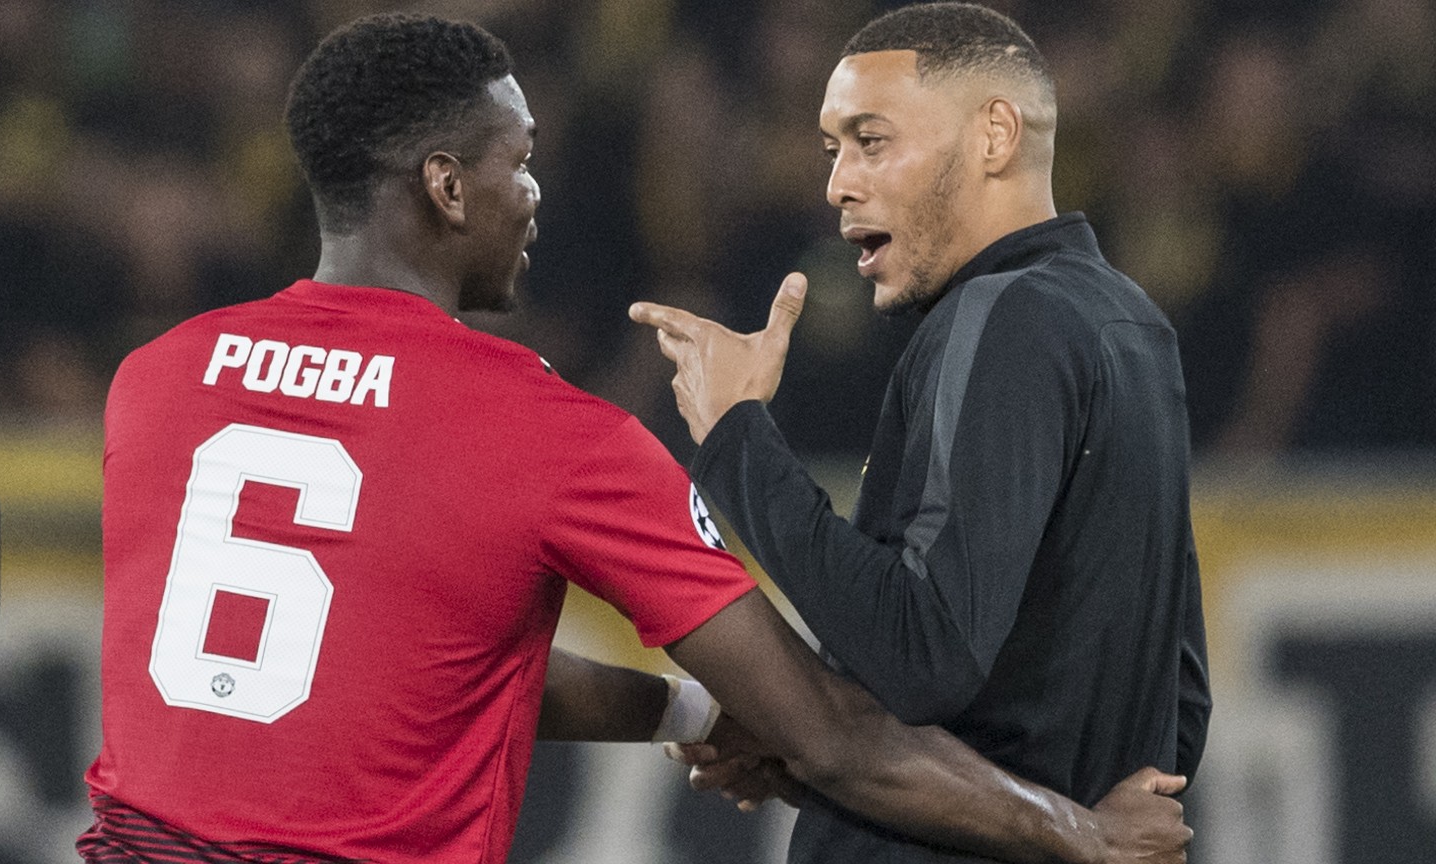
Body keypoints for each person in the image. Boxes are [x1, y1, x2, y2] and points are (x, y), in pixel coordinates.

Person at [77, 12, 1193, 864]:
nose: (537, 191)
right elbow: (841, 734)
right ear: (446, 186)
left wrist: (698, 709)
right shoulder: (544, 432)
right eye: (518, 162)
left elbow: (406, 656)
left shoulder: (157, 381)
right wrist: (1084, 838)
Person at [631, 3, 1211, 862]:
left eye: (871, 141)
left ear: (994, 136)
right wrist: (808, 757)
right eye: (833, 150)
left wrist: (736, 434)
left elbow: (922, 652)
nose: (837, 184)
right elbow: (1178, 704)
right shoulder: (1132, 322)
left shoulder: (1000, 316)